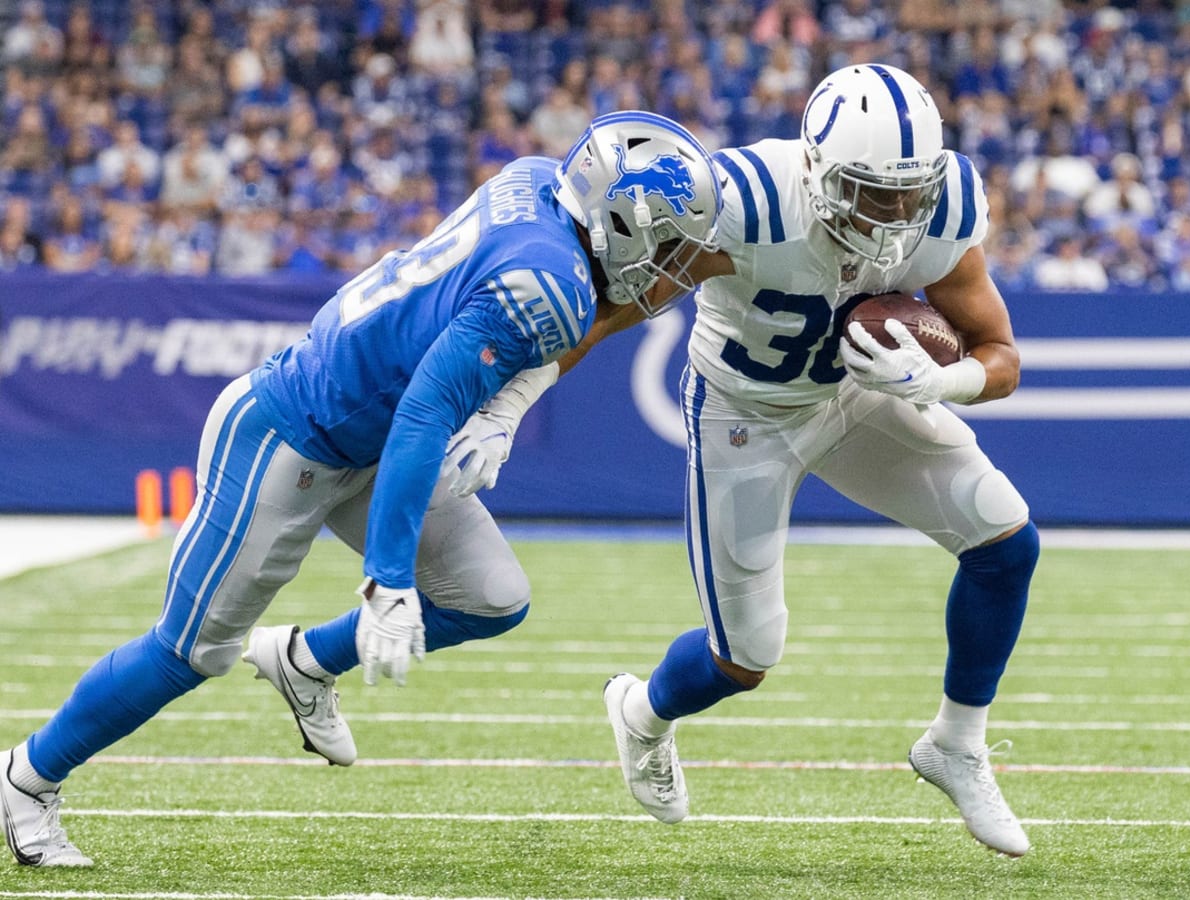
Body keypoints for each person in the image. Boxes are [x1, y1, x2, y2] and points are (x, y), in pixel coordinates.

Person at [0, 110, 722, 868]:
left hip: (370, 435)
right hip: (292, 435)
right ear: (615, 218)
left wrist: (505, 411)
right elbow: (426, 409)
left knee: (491, 595)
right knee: (192, 652)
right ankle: (28, 777)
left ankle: (306, 661)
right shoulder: (549, 283)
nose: (669, 261)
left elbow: (490, 343)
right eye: (665, 239)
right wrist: (386, 581)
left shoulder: (538, 181)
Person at [447, 64, 1040, 858]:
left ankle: (956, 744)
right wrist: (510, 404)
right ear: (820, 171)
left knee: (1005, 541)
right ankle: (642, 714)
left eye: (911, 192)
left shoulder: (945, 207)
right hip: (743, 412)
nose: (898, 213)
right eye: (874, 192)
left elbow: (1000, 355)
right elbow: (616, 305)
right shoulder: (747, 203)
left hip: (852, 399)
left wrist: (946, 379)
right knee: (745, 657)